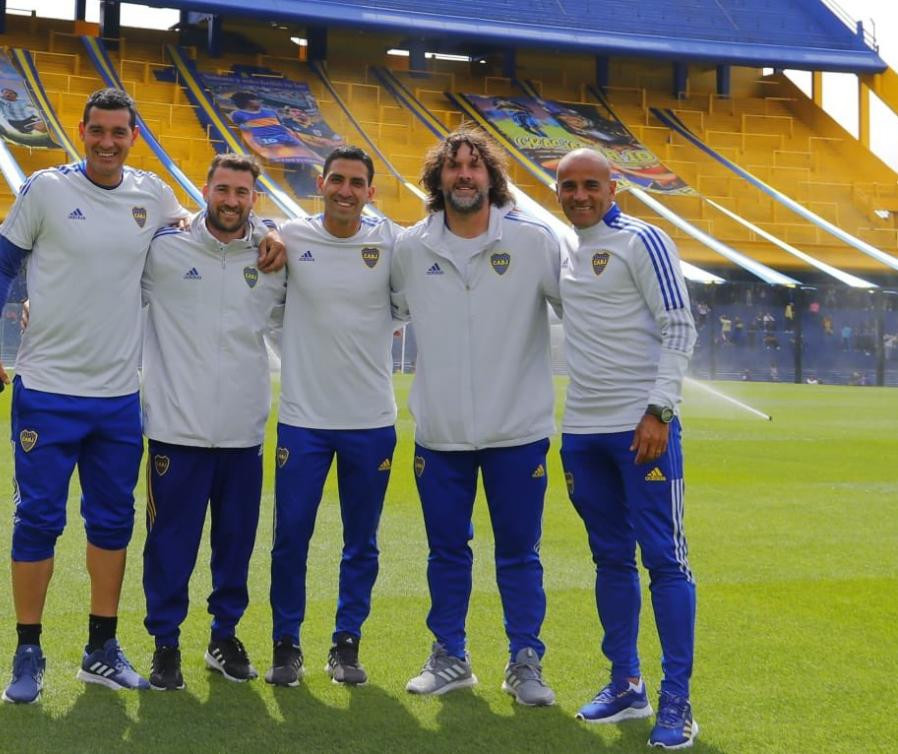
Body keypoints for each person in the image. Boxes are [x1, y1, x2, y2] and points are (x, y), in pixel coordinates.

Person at [0, 88, 283, 705]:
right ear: (81, 131)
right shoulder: (46, 190)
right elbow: (1, 265)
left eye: (120, 133)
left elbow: (210, 228)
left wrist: (270, 229)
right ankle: (27, 650)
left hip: (117, 397)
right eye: (98, 131)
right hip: (49, 388)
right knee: (38, 521)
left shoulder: (152, 195)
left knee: (112, 523)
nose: (108, 143)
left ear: (133, 137)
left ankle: (100, 650)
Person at [391, 127, 561, 703]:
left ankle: (525, 661)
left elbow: (581, 307)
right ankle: (450, 657)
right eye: (453, 166)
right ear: (438, 179)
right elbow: (379, 304)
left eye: (474, 166)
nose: (464, 175)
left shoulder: (535, 240)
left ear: (492, 176)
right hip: (440, 434)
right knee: (446, 551)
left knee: (519, 552)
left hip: (518, 431)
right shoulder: (411, 246)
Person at [554, 148, 699, 749]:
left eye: (592, 184)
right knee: (610, 559)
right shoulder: (564, 252)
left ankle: (678, 701)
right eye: (569, 185)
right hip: (583, 432)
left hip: (642, 429)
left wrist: (659, 409)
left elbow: (680, 324)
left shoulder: (645, 240)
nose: (580, 194)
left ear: (614, 187)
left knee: (664, 560)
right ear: (556, 189)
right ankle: (626, 683)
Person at [139, 153, 285, 691]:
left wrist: (279, 234)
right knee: (169, 544)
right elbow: (107, 283)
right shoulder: (165, 249)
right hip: (176, 430)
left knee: (235, 544)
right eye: (222, 189)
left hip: (243, 432)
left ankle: (224, 636)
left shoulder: (273, 257)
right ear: (204, 189)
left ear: (255, 198)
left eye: (242, 193)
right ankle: (166, 643)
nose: (230, 201)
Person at [265, 146, 402, 688]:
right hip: (304, 419)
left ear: (371, 191)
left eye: (357, 182)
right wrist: (269, 228)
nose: (346, 190)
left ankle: (347, 644)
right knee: (290, 536)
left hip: (370, 420)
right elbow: (237, 222)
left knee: (360, 540)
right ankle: (285, 644)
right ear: (320, 184)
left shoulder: (392, 241)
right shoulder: (291, 236)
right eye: (337, 180)